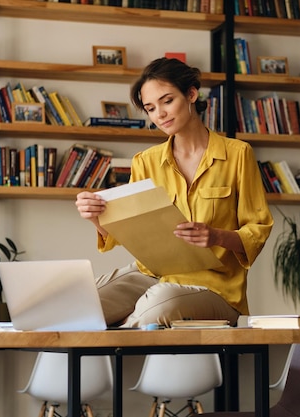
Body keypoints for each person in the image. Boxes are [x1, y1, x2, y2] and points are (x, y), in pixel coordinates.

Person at [75, 57, 273, 328]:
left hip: (216, 287)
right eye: (151, 108)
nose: (160, 114)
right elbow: (132, 232)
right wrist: (95, 217)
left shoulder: (238, 154)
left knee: (158, 304)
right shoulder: (145, 161)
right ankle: (120, 333)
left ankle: (126, 329)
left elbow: (258, 230)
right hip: (152, 275)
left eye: (167, 101)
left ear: (191, 94)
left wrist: (216, 236)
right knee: (78, 303)